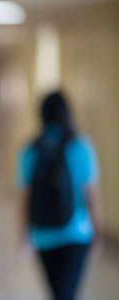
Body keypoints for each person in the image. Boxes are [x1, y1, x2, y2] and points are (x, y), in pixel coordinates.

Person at [18, 91, 103, 300]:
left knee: (57, 293)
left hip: (43, 235)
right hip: (77, 233)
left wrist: (24, 235)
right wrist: (98, 233)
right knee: (66, 294)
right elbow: (92, 195)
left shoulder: (30, 150)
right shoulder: (80, 146)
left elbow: (25, 199)